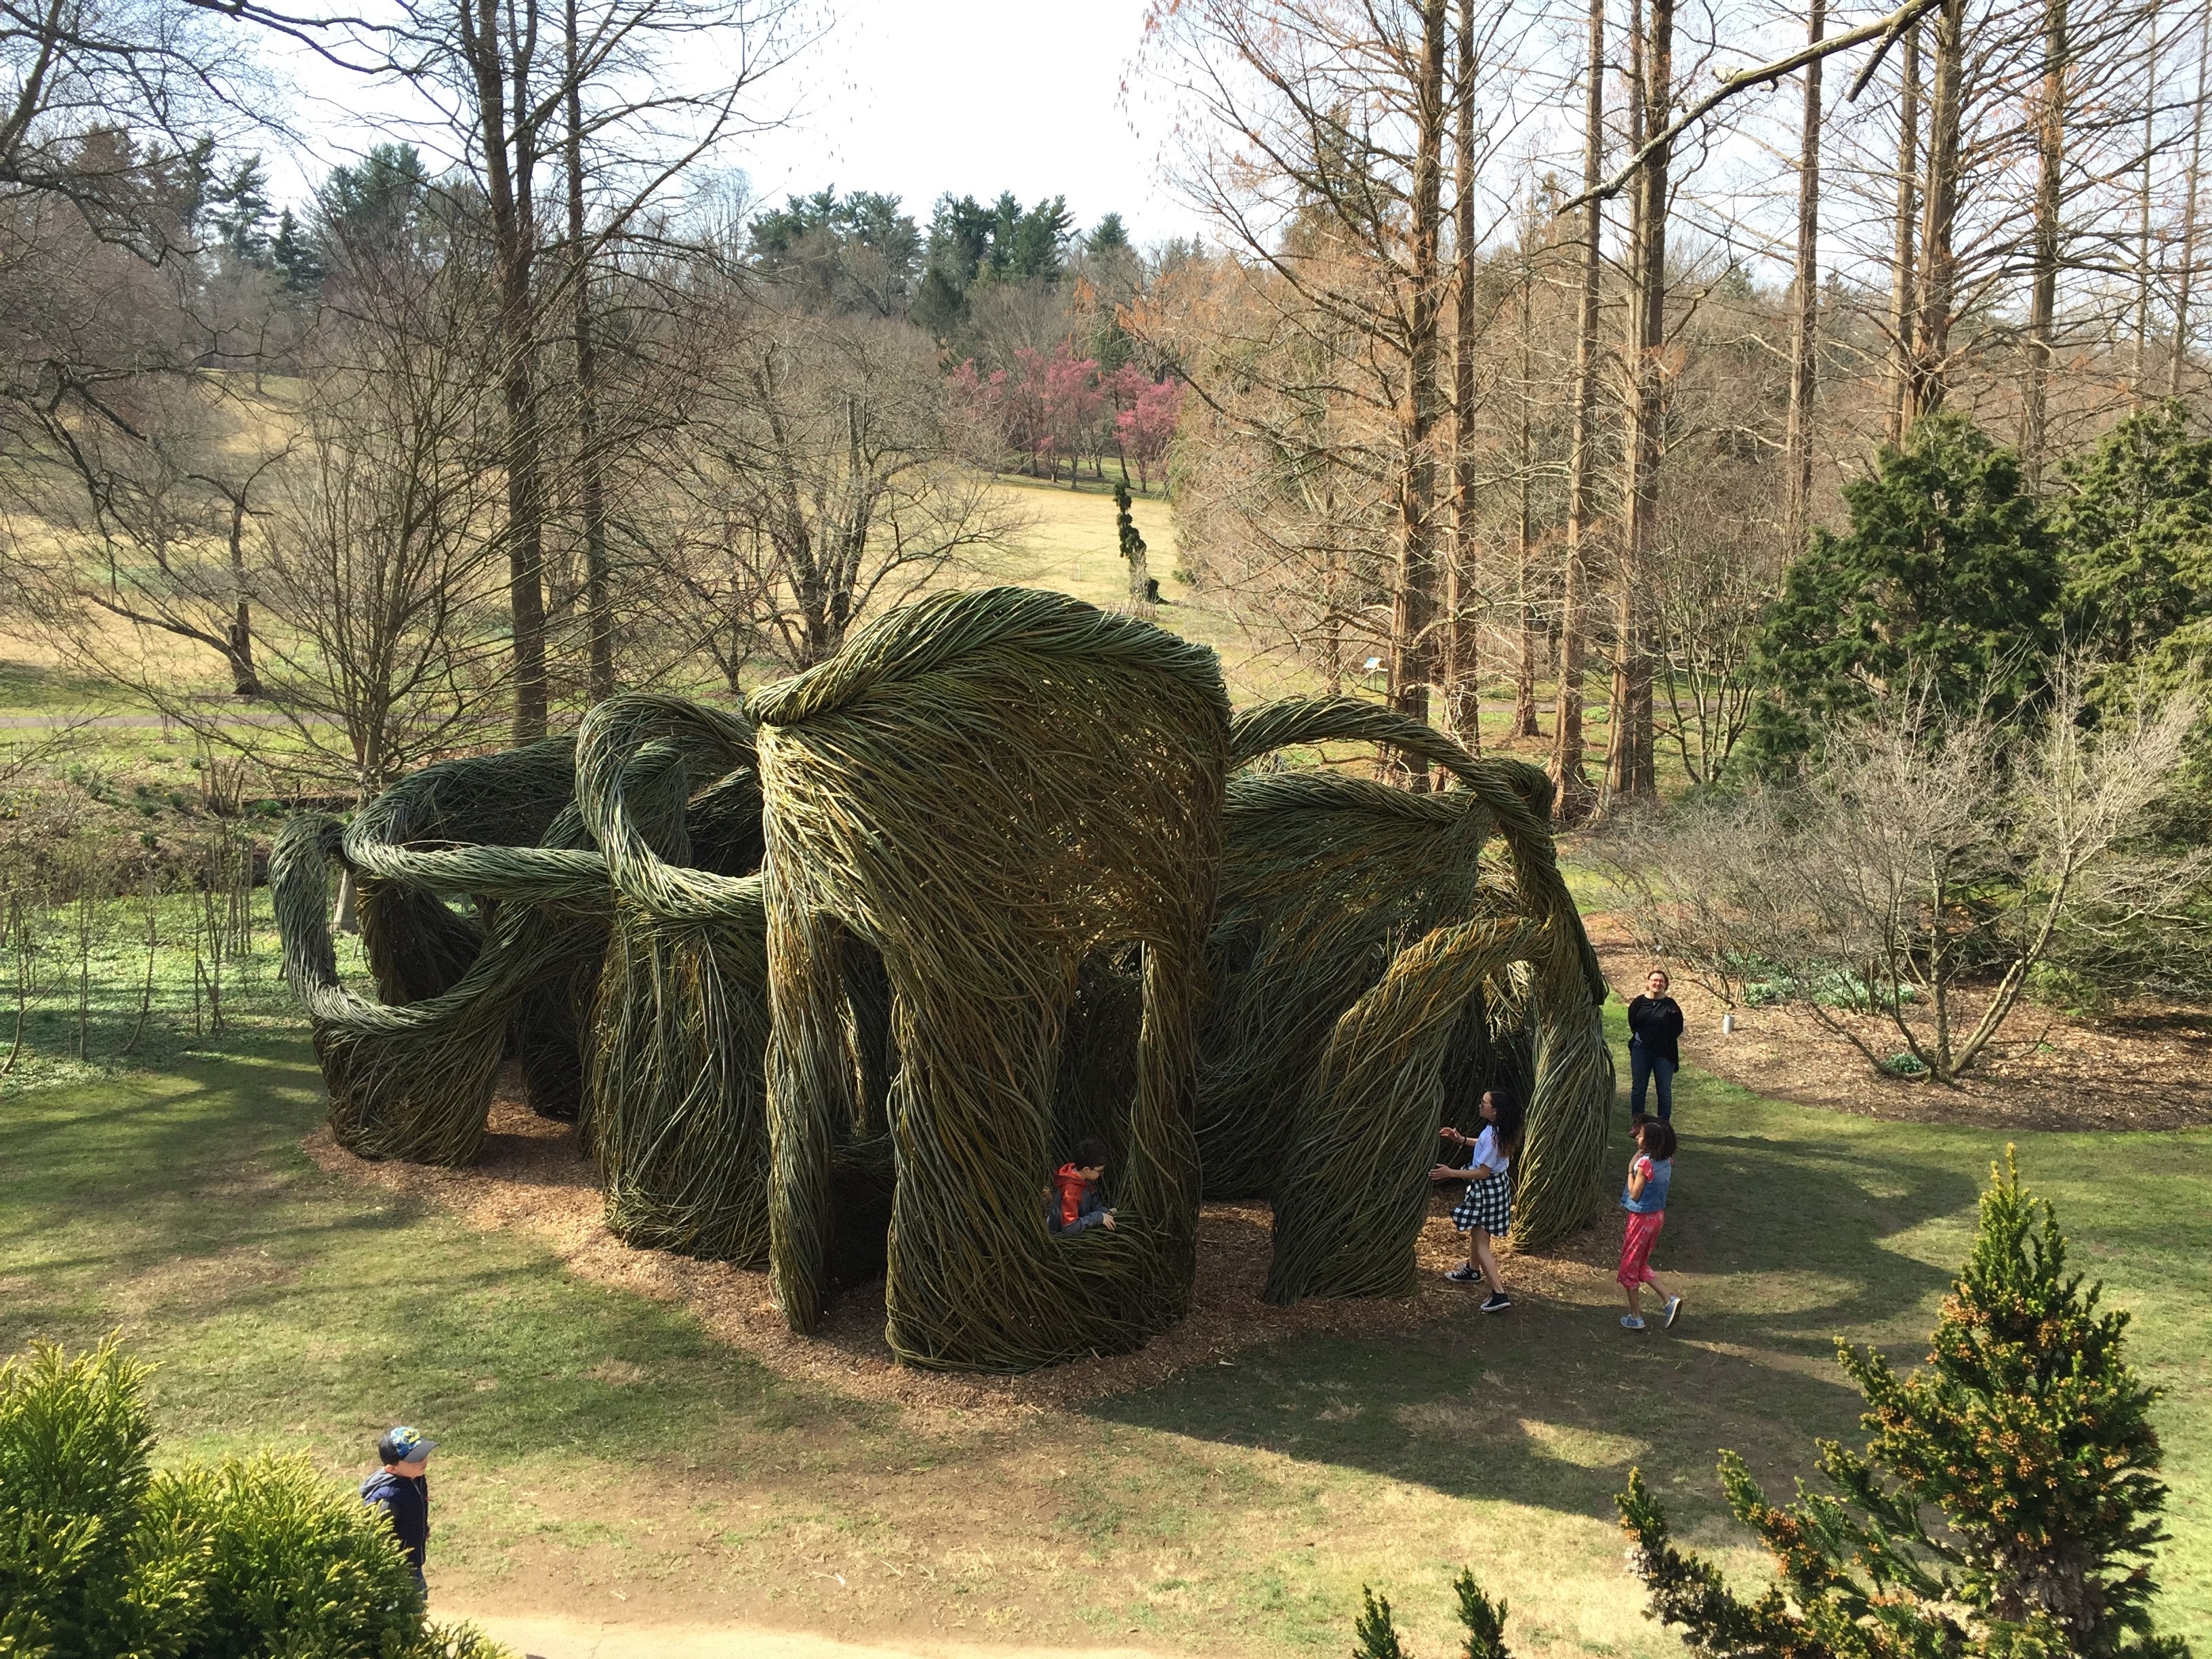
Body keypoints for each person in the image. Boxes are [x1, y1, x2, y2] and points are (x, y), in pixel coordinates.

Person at [1429, 1088, 1523, 1313]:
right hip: (1495, 1188)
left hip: (1488, 1190)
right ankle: (1472, 1271)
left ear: (1495, 1111)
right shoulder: (1495, 1131)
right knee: (1477, 1232)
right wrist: (1461, 1140)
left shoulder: (1493, 1137)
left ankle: (1499, 1294)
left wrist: (1450, 1172)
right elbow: (1482, 1144)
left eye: (1484, 1103)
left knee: (1482, 1243)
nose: (1480, 1105)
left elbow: (1482, 1172)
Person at [1617, 1116, 1682, 1332]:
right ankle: (1668, 1299)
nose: (1637, 1136)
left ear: (1649, 1142)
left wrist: (1630, 1169)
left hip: (1640, 1219)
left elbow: (1635, 1195)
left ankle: (1636, 1317)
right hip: (1657, 1218)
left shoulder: (1644, 1165)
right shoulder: (1666, 1161)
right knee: (1641, 1264)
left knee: (1629, 1267)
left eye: (1641, 1135)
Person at [361, 1425, 435, 1594]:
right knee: (411, 1610)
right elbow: (372, 1534)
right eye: (414, 1459)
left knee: (419, 1602)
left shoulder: (416, 1478)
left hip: (413, 1563)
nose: (422, 1460)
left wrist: (423, 1529)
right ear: (392, 1469)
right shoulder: (388, 1495)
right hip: (397, 1571)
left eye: (422, 1454)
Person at [1626, 968, 1684, 1122]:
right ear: (1648, 982)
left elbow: (1678, 1027)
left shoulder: (1671, 1005)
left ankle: (1663, 1124)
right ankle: (1638, 1122)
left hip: (1664, 1053)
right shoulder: (1638, 1003)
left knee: (1664, 1091)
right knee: (1639, 1089)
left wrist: (1662, 1040)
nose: (1657, 983)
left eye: (1661, 981)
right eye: (1654, 980)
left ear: (1665, 985)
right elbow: (1633, 1023)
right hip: (1641, 1050)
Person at [1049, 1137, 1117, 1234]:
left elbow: (1093, 1203)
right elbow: (1070, 1228)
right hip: (1062, 1238)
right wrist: (1098, 1217)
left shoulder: (1085, 1179)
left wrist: (1105, 1213)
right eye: (1100, 1171)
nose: (1102, 1174)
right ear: (1086, 1169)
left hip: (1082, 1226)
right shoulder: (1071, 1192)